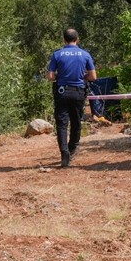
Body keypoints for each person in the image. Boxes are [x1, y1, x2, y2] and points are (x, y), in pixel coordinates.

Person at [46, 28, 97, 168]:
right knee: (76, 122)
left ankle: (64, 153)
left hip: (62, 92)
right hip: (78, 92)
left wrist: (60, 77)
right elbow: (93, 77)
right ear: (77, 39)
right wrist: (82, 77)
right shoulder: (85, 54)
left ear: (64, 40)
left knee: (62, 124)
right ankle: (73, 148)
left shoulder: (57, 54)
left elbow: (50, 76)